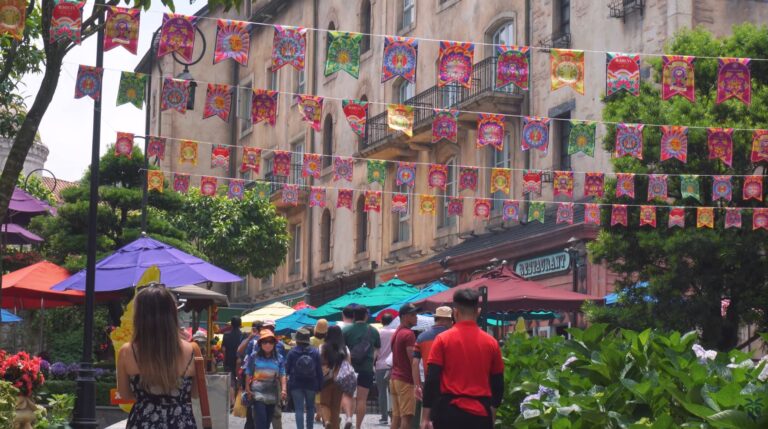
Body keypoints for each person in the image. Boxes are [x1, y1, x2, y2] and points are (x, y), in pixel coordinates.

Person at [420, 290, 504, 429]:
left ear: (455, 312)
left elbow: (432, 379)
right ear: (478, 312)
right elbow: (498, 383)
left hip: (448, 414)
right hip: (480, 414)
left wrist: (425, 417)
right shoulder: (491, 343)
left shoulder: (442, 340)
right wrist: (492, 413)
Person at [117, 284, 198, 428]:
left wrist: (148, 398)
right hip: (180, 422)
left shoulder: (127, 352)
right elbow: (195, 394)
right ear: (172, 314)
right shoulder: (192, 351)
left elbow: (124, 394)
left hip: (142, 421)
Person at [343, 305, 381, 429]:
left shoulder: (346, 330)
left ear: (354, 316)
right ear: (366, 316)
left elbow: (342, 350)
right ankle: (358, 426)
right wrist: (371, 360)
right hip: (366, 369)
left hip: (350, 369)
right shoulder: (373, 331)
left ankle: (349, 418)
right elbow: (377, 349)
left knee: (349, 396)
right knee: (362, 399)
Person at [246, 329, 288, 429]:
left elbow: (282, 374)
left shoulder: (279, 358)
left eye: (270, 342)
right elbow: (248, 372)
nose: (268, 344)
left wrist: (283, 389)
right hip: (257, 393)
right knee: (261, 421)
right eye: (265, 342)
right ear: (260, 344)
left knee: (267, 422)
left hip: (272, 394)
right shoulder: (254, 356)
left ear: (274, 344)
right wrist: (247, 388)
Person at [285, 327, 323, 429]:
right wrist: (320, 386)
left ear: (297, 340)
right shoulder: (315, 352)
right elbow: (319, 370)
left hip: (296, 383)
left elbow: (286, 369)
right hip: (311, 383)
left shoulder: (292, 352)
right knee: (310, 408)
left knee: (299, 409)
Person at [413, 307, 454, 401]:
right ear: (445, 320)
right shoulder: (452, 336)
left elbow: (415, 363)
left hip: (429, 383)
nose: (452, 323)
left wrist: (417, 385)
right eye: (451, 319)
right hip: (449, 384)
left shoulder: (421, 337)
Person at [389, 304, 419, 429]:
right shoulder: (409, 334)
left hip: (395, 378)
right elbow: (412, 360)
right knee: (407, 417)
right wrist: (417, 383)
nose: (416, 317)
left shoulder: (397, 332)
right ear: (404, 316)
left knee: (396, 417)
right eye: (413, 315)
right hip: (405, 380)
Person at [375, 313, 396, 425]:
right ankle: (394, 417)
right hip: (393, 365)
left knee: (382, 392)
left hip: (380, 365)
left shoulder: (378, 333)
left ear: (381, 322)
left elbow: (375, 349)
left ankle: (384, 417)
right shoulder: (395, 332)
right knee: (394, 392)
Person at [223, 316, 244, 402]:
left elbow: (224, 350)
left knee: (231, 381)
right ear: (240, 324)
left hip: (229, 360)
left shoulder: (226, 335)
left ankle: (232, 401)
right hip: (240, 360)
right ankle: (238, 401)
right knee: (239, 379)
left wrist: (224, 361)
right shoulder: (243, 335)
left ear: (231, 324)